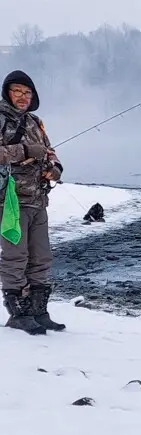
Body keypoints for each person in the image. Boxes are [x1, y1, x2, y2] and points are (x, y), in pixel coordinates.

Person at [0, 70, 64, 335]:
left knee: (41, 257)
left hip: (38, 200)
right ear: (7, 93)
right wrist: (25, 152)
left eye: (27, 93)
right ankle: (18, 314)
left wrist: (55, 169)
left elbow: (50, 152)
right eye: (17, 91)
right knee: (16, 257)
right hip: (9, 202)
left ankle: (39, 311)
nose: (23, 97)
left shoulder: (36, 122)